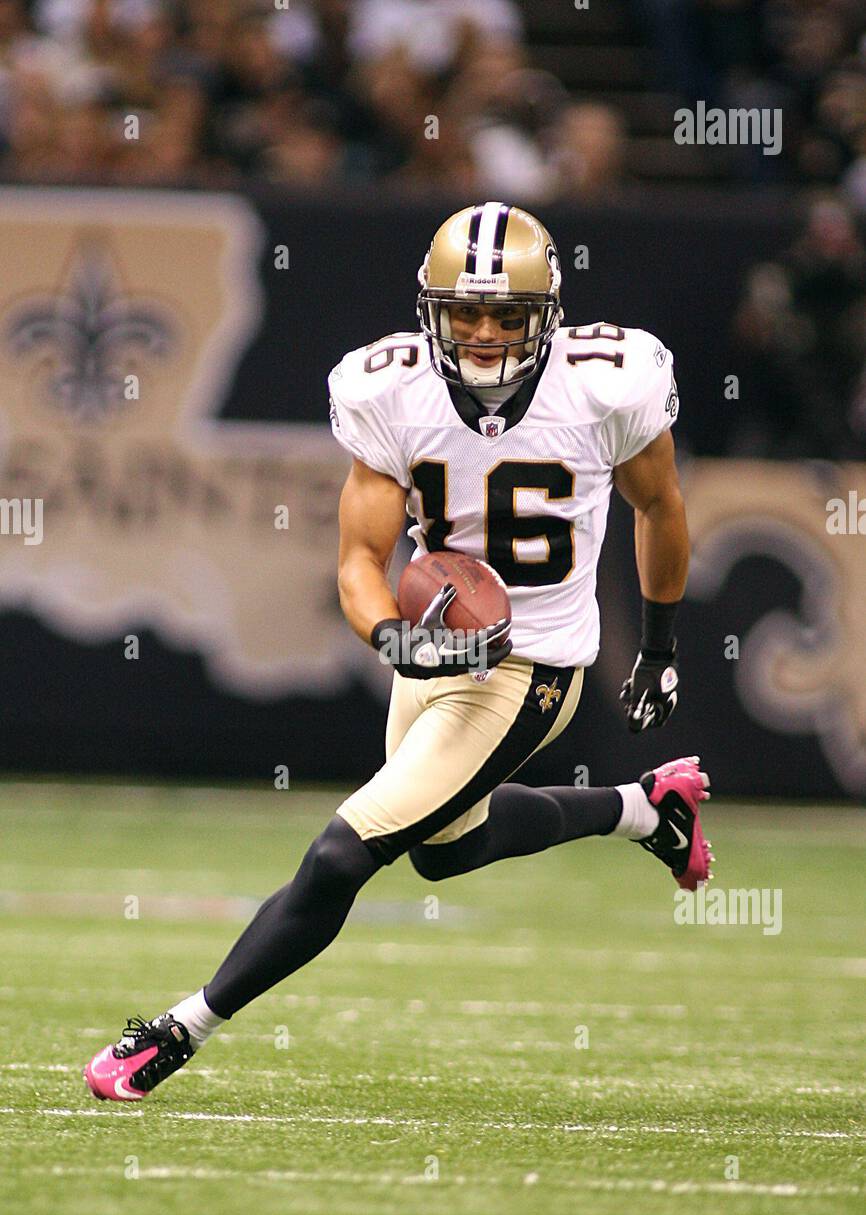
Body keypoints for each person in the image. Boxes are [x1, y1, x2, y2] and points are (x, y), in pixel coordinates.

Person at [84, 202, 713, 1103]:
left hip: (533, 666)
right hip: (436, 654)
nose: (486, 333)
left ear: (550, 317)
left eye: (507, 315)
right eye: (466, 312)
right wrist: (393, 636)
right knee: (445, 853)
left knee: (347, 853)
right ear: (433, 312)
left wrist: (658, 646)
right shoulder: (387, 390)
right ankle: (647, 810)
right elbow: (357, 562)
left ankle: (176, 1032)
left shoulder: (612, 384)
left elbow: (661, 508)